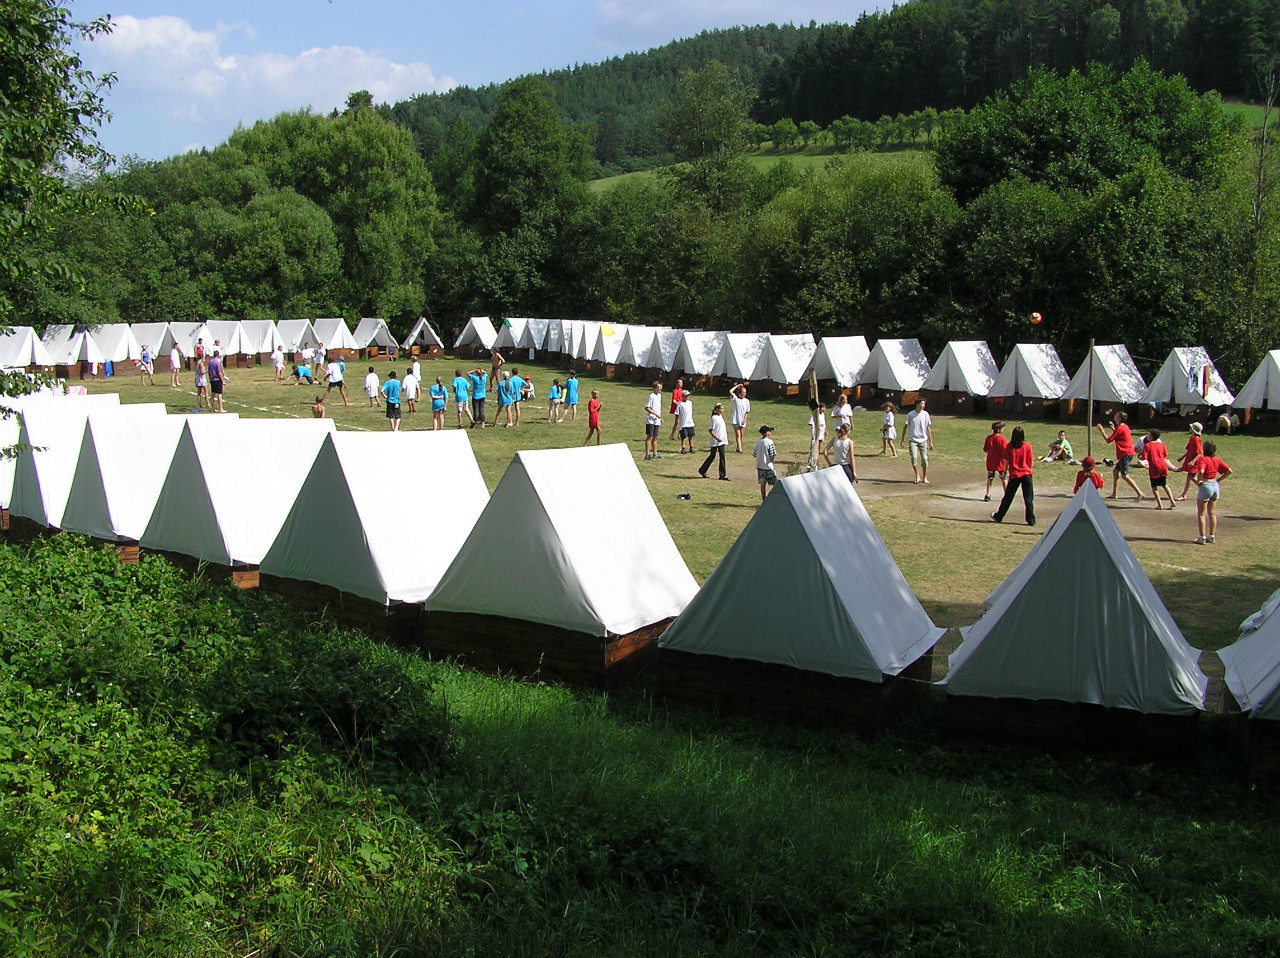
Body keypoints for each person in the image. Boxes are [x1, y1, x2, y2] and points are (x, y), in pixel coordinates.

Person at [1097, 411, 1144, 502]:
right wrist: (1114, 429)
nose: (1115, 416)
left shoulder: (1121, 428)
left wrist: (1101, 430)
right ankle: (1114, 494)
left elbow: (1108, 440)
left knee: (1125, 475)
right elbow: (1120, 436)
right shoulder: (1124, 427)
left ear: (1119, 418)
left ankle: (1139, 493)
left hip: (1125, 453)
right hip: (1126, 453)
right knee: (1115, 471)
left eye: (1116, 415)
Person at [991, 425, 1034, 525]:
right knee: (1028, 498)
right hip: (1026, 474)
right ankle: (1031, 520)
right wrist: (1029, 471)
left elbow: (1006, 461)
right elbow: (1030, 460)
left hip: (1015, 475)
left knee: (1008, 497)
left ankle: (999, 516)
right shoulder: (1027, 446)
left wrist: (1004, 472)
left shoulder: (1009, 447)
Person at [1192, 440, 1231, 544]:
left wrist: (1199, 481)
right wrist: (1219, 480)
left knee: (1201, 514)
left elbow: (1201, 471)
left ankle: (1202, 537)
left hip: (1206, 485)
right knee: (1212, 513)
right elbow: (1229, 471)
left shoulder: (1203, 459)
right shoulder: (1217, 459)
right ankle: (1212, 536)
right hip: (1215, 486)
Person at [1142, 428, 1175, 510]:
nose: (1148, 436)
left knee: (1154, 486)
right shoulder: (1161, 445)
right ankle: (1172, 501)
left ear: (1152, 436)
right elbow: (1164, 455)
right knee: (1164, 484)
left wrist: (1140, 456)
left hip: (1154, 467)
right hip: (1163, 466)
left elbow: (1144, 457)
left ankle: (1160, 505)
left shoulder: (1147, 445)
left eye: (1149, 435)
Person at [904, 397, 933, 483]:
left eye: (924, 404)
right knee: (914, 457)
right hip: (913, 440)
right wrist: (902, 440)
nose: (923, 406)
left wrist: (931, 442)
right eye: (921, 404)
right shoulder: (911, 414)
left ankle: (925, 477)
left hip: (923, 440)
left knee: (924, 458)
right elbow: (905, 427)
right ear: (917, 404)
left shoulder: (925, 414)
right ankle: (917, 476)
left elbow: (928, 428)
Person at [699, 402, 729, 480]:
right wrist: (717, 438)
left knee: (722, 456)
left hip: (721, 441)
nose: (723, 410)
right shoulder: (714, 418)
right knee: (712, 456)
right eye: (721, 409)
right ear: (717, 409)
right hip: (716, 441)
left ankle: (722, 474)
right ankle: (703, 470)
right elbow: (711, 430)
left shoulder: (720, 417)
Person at [1175, 422, 1204, 501]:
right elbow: (1189, 450)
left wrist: (1193, 461)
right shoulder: (1192, 438)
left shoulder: (1196, 440)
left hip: (1194, 462)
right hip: (1189, 459)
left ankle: (1183, 495)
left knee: (1189, 478)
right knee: (1191, 478)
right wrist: (1182, 457)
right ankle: (1205, 488)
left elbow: (1200, 453)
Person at [983, 421, 1008, 502]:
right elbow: (1006, 451)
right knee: (1003, 478)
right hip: (1001, 463)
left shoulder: (989, 438)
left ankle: (988, 494)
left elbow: (985, 449)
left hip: (991, 461)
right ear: (999, 430)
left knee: (990, 478)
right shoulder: (1002, 439)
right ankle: (1007, 495)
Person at [753, 424, 778, 501]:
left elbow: (755, 454)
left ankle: (764, 498)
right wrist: (772, 463)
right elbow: (772, 454)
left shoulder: (758, 442)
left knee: (762, 483)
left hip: (760, 466)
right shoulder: (769, 442)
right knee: (775, 483)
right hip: (768, 466)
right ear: (766, 433)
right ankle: (775, 497)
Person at [643, 381, 663, 460]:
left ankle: (655, 453)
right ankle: (647, 454)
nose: (660, 389)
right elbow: (647, 408)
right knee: (649, 436)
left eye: (661, 387)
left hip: (656, 420)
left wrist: (660, 417)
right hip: (651, 420)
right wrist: (655, 414)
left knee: (655, 437)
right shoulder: (651, 396)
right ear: (654, 388)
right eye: (658, 387)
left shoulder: (659, 396)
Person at [729, 383, 750, 453]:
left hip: (742, 421)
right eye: (743, 392)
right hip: (735, 420)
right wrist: (737, 386)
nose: (744, 394)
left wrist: (744, 420)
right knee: (738, 435)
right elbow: (730, 391)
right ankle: (740, 449)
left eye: (745, 393)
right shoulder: (736, 399)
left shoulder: (746, 401)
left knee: (741, 435)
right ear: (739, 393)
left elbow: (747, 412)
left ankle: (738, 447)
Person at [808, 401, 827, 470]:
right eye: (822, 408)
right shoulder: (815, 414)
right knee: (816, 445)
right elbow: (811, 423)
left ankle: (817, 458)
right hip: (816, 432)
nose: (823, 410)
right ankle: (814, 458)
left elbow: (824, 424)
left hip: (821, 432)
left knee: (819, 446)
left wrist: (825, 430)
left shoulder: (823, 415)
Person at [677, 388, 695, 453]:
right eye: (686, 396)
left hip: (690, 422)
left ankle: (691, 447)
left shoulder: (690, 403)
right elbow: (677, 414)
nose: (687, 397)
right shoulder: (680, 404)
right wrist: (678, 422)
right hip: (683, 423)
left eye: (688, 396)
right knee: (683, 436)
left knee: (691, 435)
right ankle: (683, 447)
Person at [668, 378, 685, 442]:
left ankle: (679, 434)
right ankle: (672, 434)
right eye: (680, 383)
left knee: (681, 421)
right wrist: (679, 404)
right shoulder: (675, 391)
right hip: (677, 408)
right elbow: (674, 400)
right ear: (677, 384)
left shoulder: (682, 390)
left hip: (681, 408)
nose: (681, 384)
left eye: (682, 383)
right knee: (677, 422)